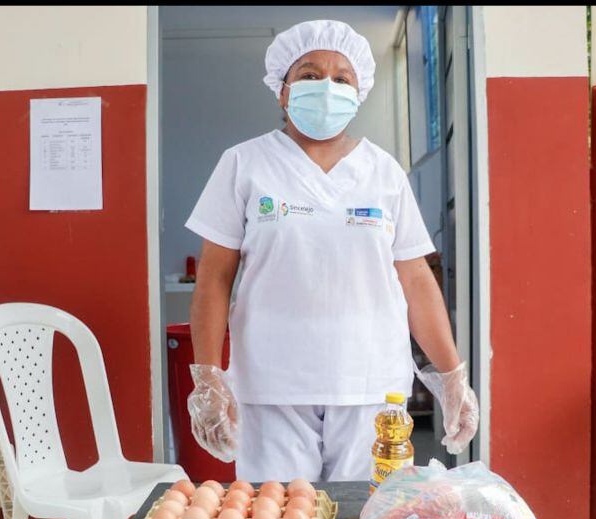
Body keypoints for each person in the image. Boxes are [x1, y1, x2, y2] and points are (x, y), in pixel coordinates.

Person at [185, 19, 478, 482]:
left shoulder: (383, 172)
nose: (326, 86)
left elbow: (416, 278)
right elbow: (214, 277)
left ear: (358, 93)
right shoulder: (244, 163)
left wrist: (452, 375)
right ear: (282, 92)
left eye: (342, 78)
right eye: (308, 74)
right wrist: (207, 376)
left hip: (371, 385)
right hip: (272, 384)